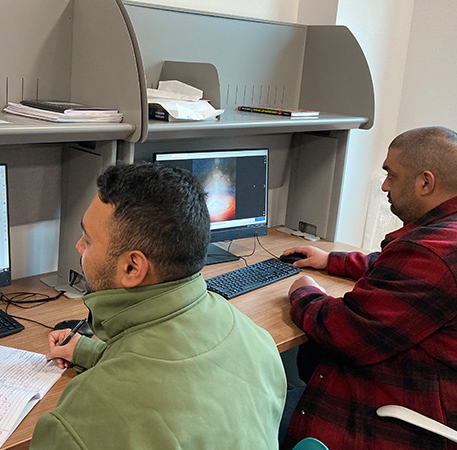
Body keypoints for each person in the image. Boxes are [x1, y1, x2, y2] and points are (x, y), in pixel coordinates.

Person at [30, 162, 286, 450]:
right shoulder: (256, 340)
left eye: (88, 240)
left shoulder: (80, 422)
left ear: (131, 267)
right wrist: (87, 351)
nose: (78, 246)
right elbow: (169, 367)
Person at [280, 126, 457, 450]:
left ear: (425, 182)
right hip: (425, 390)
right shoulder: (445, 236)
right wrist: (332, 260)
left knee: (254, 416)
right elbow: (400, 269)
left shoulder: (431, 253)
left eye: (391, 174)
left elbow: (344, 331)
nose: (385, 185)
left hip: (392, 418)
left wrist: (302, 292)